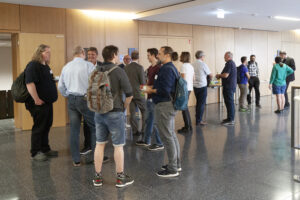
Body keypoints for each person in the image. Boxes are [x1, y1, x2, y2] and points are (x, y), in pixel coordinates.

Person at [93, 45, 134, 188]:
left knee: (99, 144)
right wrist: (123, 107)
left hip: (98, 111)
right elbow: (129, 94)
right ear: (115, 55)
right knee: (118, 146)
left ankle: (97, 177)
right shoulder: (119, 71)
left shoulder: (96, 70)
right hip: (115, 111)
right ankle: (120, 178)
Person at [144, 46, 181, 178]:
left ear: (167, 55)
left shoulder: (166, 69)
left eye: (159, 53)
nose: (157, 55)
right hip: (169, 104)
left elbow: (164, 90)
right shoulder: (170, 68)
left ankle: (172, 168)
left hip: (165, 105)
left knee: (167, 136)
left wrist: (150, 91)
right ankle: (176, 163)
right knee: (171, 134)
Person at [58, 46, 97, 167]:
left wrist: (67, 95)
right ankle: (96, 157)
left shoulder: (66, 67)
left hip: (71, 100)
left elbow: (60, 86)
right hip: (84, 99)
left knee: (74, 130)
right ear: (82, 53)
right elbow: (96, 84)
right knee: (94, 128)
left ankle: (76, 160)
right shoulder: (88, 66)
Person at [25, 44, 58, 161]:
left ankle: (45, 149)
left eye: (49, 52)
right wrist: (36, 99)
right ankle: (35, 152)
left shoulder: (46, 66)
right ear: (39, 53)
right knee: (39, 127)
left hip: (48, 103)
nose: (49, 54)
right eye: (46, 52)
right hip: (38, 104)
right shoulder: (33, 65)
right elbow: (30, 83)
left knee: (46, 126)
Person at [135, 48, 164, 151]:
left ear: (154, 55)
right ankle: (146, 140)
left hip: (155, 99)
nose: (147, 57)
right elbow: (148, 82)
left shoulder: (159, 68)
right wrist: (144, 88)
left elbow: (157, 85)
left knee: (155, 122)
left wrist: (147, 88)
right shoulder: (150, 68)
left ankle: (159, 143)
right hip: (149, 98)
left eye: (148, 55)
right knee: (148, 120)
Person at [80, 47, 101, 155]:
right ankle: (87, 145)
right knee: (87, 123)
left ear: (96, 55)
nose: (90, 57)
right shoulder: (82, 66)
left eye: (93, 54)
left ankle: (98, 145)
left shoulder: (102, 66)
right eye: (88, 55)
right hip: (86, 99)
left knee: (99, 122)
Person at [124, 50, 147, 136]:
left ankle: (135, 131)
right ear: (138, 57)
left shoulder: (126, 68)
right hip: (139, 93)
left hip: (130, 93)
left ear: (131, 57)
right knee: (144, 111)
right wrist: (143, 93)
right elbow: (143, 82)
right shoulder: (140, 67)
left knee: (132, 113)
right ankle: (144, 130)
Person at [216, 51, 237, 126]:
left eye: (225, 56)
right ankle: (229, 118)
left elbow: (225, 75)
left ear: (228, 57)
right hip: (229, 86)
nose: (224, 58)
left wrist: (219, 75)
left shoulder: (229, 63)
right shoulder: (231, 63)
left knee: (230, 103)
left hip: (229, 87)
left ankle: (231, 120)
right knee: (228, 103)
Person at [193, 50, 212, 126]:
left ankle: (198, 116)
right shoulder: (203, 64)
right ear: (201, 57)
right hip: (202, 86)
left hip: (195, 86)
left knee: (198, 102)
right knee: (201, 104)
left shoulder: (192, 64)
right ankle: (199, 120)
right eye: (204, 56)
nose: (204, 57)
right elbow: (210, 75)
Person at [177, 52, 194, 133]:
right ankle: (189, 126)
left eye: (181, 55)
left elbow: (182, 80)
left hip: (184, 89)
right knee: (185, 107)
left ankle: (187, 127)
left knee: (184, 108)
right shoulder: (191, 66)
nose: (180, 56)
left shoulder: (183, 66)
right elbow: (193, 78)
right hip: (190, 88)